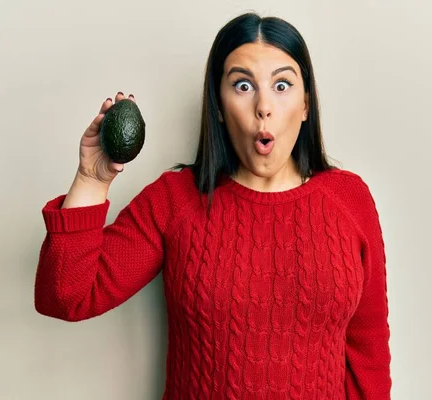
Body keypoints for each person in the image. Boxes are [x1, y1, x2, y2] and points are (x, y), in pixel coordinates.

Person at [34, 12, 392, 400]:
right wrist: (92, 178)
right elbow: (67, 295)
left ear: (306, 104)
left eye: (282, 85)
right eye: (242, 85)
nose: (264, 107)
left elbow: (368, 359)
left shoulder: (349, 201)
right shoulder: (176, 199)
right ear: (219, 107)